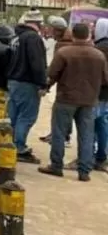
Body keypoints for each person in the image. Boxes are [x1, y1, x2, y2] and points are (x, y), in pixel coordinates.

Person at [38, 22, 108, 182]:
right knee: (86, 135)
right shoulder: (99, 55)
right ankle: (84, 171)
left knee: (59, 132)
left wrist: (45, 87)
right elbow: (105, 79)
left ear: (73, 35)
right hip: (89, 101)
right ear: (88, 35)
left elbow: (52, 74)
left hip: (66, 98)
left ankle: (56, 166)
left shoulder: (64, 52)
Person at [6, 10, 49, 164]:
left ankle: (8, 144)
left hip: (13, 82)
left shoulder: (15, 37)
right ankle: (19, 147)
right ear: (39, 24)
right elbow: (37, 63)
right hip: (27, 83)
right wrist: (42, 83)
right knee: (27, 117)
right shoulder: (33, 38)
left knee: (13, 116)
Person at [40, 15, 73, 146]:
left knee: (62, 111)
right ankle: (58, 134)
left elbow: (56, 69)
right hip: (69, 84)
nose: (50, 32)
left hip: (66, 85)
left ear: (58, 30)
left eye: (52, 29)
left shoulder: (62, 45)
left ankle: (62, 137)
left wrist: (47, 85)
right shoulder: (66, 41)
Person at [93, 18, 108, 172]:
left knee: (90, 124)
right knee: (102, 123)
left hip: (97, 91)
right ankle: (102, 157)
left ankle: (89, 156)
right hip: (105, 94)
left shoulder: (100, 48)